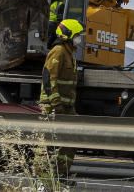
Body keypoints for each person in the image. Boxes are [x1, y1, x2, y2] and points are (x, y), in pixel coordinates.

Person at [39, 17, 84, 182]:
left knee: (72, 137)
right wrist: (56, 103)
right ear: (68, 35)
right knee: (48, 143)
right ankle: (42, 177)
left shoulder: (69, 53)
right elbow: (48, 78)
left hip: (66, 106)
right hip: (53, 105)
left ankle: (60, 174)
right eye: (77, 35)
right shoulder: (58, 51)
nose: (80, 39)